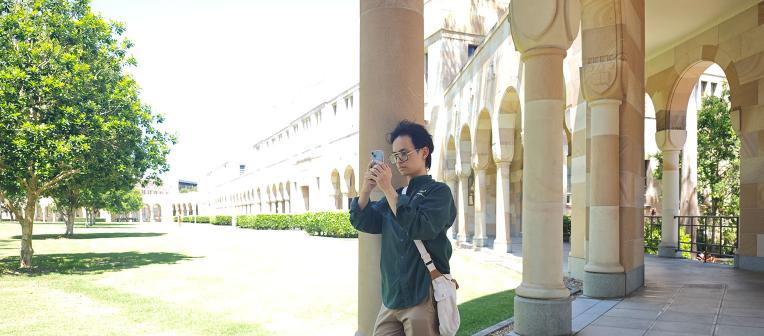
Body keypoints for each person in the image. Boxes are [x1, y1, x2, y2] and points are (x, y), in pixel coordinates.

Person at [350, 120, 457, 336]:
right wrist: (366, 188)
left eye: (404, 153)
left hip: (422, 295)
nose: (398, 160)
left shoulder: (439, 192)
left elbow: (421, 227)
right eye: (395, 155)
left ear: (424, 152)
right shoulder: (399, 193)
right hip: (391, 298)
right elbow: (363, 221)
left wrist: (388, 189)